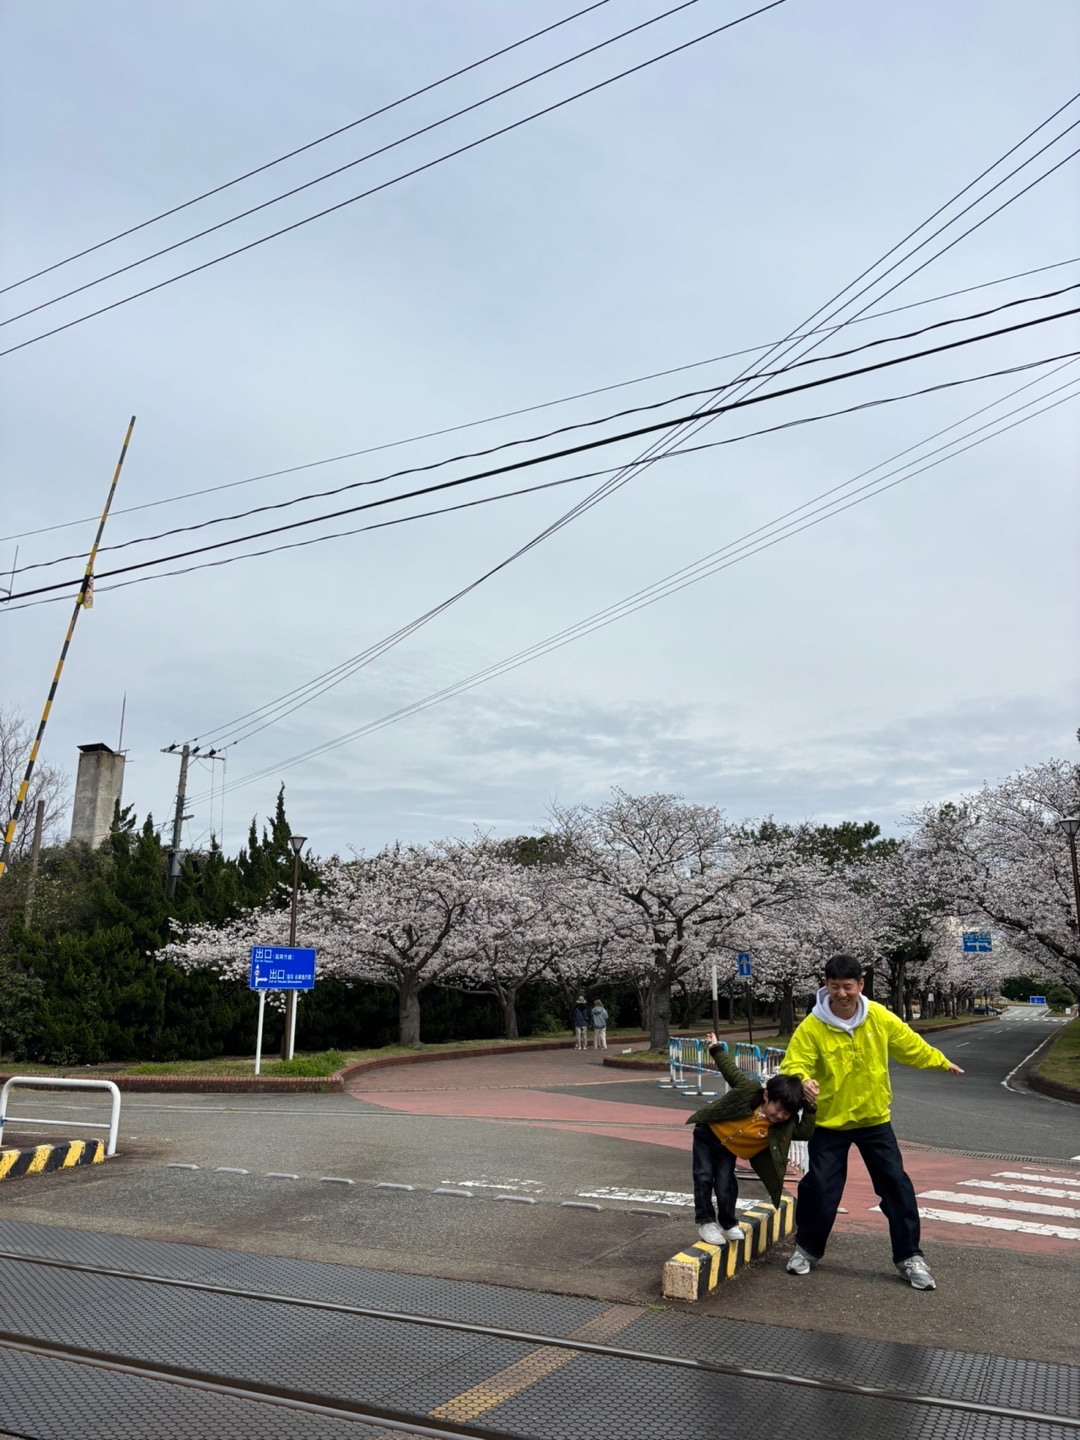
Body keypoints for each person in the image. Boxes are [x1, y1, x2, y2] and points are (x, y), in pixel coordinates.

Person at [779, 953, 964, 1290]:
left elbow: (909, 1044)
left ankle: (910, 1257)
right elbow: (794, 1063)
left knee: (896, 1185)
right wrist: (803, 1080)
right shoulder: (813, 1026)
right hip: (830, 1122)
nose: (841, 993)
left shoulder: (878, 1016)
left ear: (860, 985)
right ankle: (806, 1249)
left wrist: (940, 1061)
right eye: (834, 986)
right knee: (819, 1187)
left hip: (874, 1119)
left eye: (848, 986)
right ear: (826, 985)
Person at [686, 1035, 816, 1246]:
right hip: (707, 1133)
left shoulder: (781, 1126)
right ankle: (705, 1221)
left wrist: (810, 1108)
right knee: (703, 1176)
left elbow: (805, 1133)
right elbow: (731, 1071)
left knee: (725, 1182)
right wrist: (716, 1048)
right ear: (766, 1096)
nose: (780, 1115)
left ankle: (728, 1224)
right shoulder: (748, 1090)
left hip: (728, 1149)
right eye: (778, 1108)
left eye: (787, 1113)